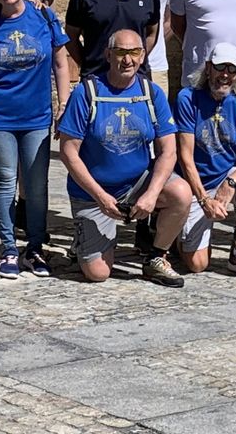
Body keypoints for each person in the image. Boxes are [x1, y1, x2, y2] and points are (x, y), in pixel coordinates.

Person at [57, 29, 190, 286]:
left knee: (181, 193)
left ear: (143, 56)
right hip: (94, 193)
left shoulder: (151, 94)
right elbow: (68, 152)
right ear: (108, 55)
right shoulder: (87, 93)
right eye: (120, 52)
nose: (127, 60)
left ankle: (156, 256)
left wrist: (151, 194)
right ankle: (84, 239)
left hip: (136, 184)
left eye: (134, 52)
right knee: (98, 274)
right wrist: (101, 197)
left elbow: (168, 151)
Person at [0, 0, 72, 278]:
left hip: (36, 116)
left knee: (37, 183)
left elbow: (61, 63)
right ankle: (8, 248)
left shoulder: (44, 16)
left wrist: (63, 103)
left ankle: (35, 247)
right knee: (5, 180)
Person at [173, 42, 236, 277]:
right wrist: (204, 198)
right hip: (195, 182)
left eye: (232, 69)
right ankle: (174, 230)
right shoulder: (188, 98)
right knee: (197, 265)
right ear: (208, 68)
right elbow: (185, 156)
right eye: (220, 67)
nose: (225, 75)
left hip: (226, 175)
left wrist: (231, 182)